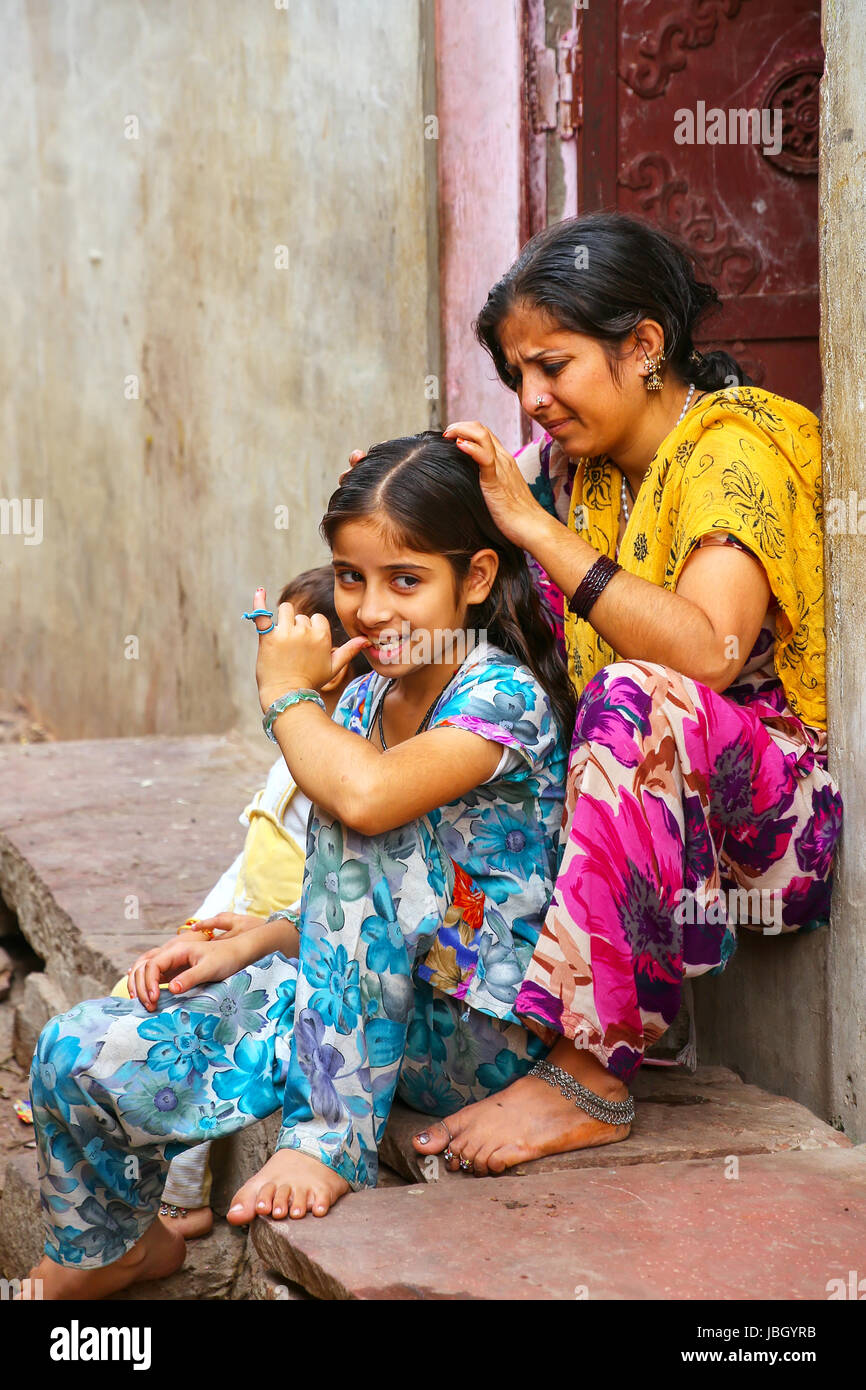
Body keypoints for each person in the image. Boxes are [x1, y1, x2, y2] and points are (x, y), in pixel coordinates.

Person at [26, 432, 571, 1299]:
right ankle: (122, 1249)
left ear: (472, 579)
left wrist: (286, 696)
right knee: (81, 1048)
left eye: (405, 580)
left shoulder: (498, 696)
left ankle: (329, 1138)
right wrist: (248, 944)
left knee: (358, 803)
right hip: (343, 1001)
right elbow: (353, 896)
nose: (371, 608)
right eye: (351, 578)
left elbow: (366, 808)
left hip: (472, 1036)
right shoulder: (362, 698)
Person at [406, 211, 843, 1179]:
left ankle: (589, 1075)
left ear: (642, 345)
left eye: (550, 366)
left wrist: (542, 536)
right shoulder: (577, 475)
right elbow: (453, 530)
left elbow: (709, 649)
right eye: (516, 374)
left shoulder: (732, 448)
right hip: (661, 835)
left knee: (629, 696)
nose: (530, 398)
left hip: (774, 827)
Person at [109, 566, 368, 1240]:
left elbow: (339, 902)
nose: (265, 656)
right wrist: (197, 926)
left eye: (278, 640)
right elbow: (242, 863)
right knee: (143, 996)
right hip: (240, 937)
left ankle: (181, 1199)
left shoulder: (351, 768)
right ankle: (104, 1106)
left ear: (334, 668)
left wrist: (249, 939)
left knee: (201, 1043)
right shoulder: (290, 757)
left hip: (291, 956)